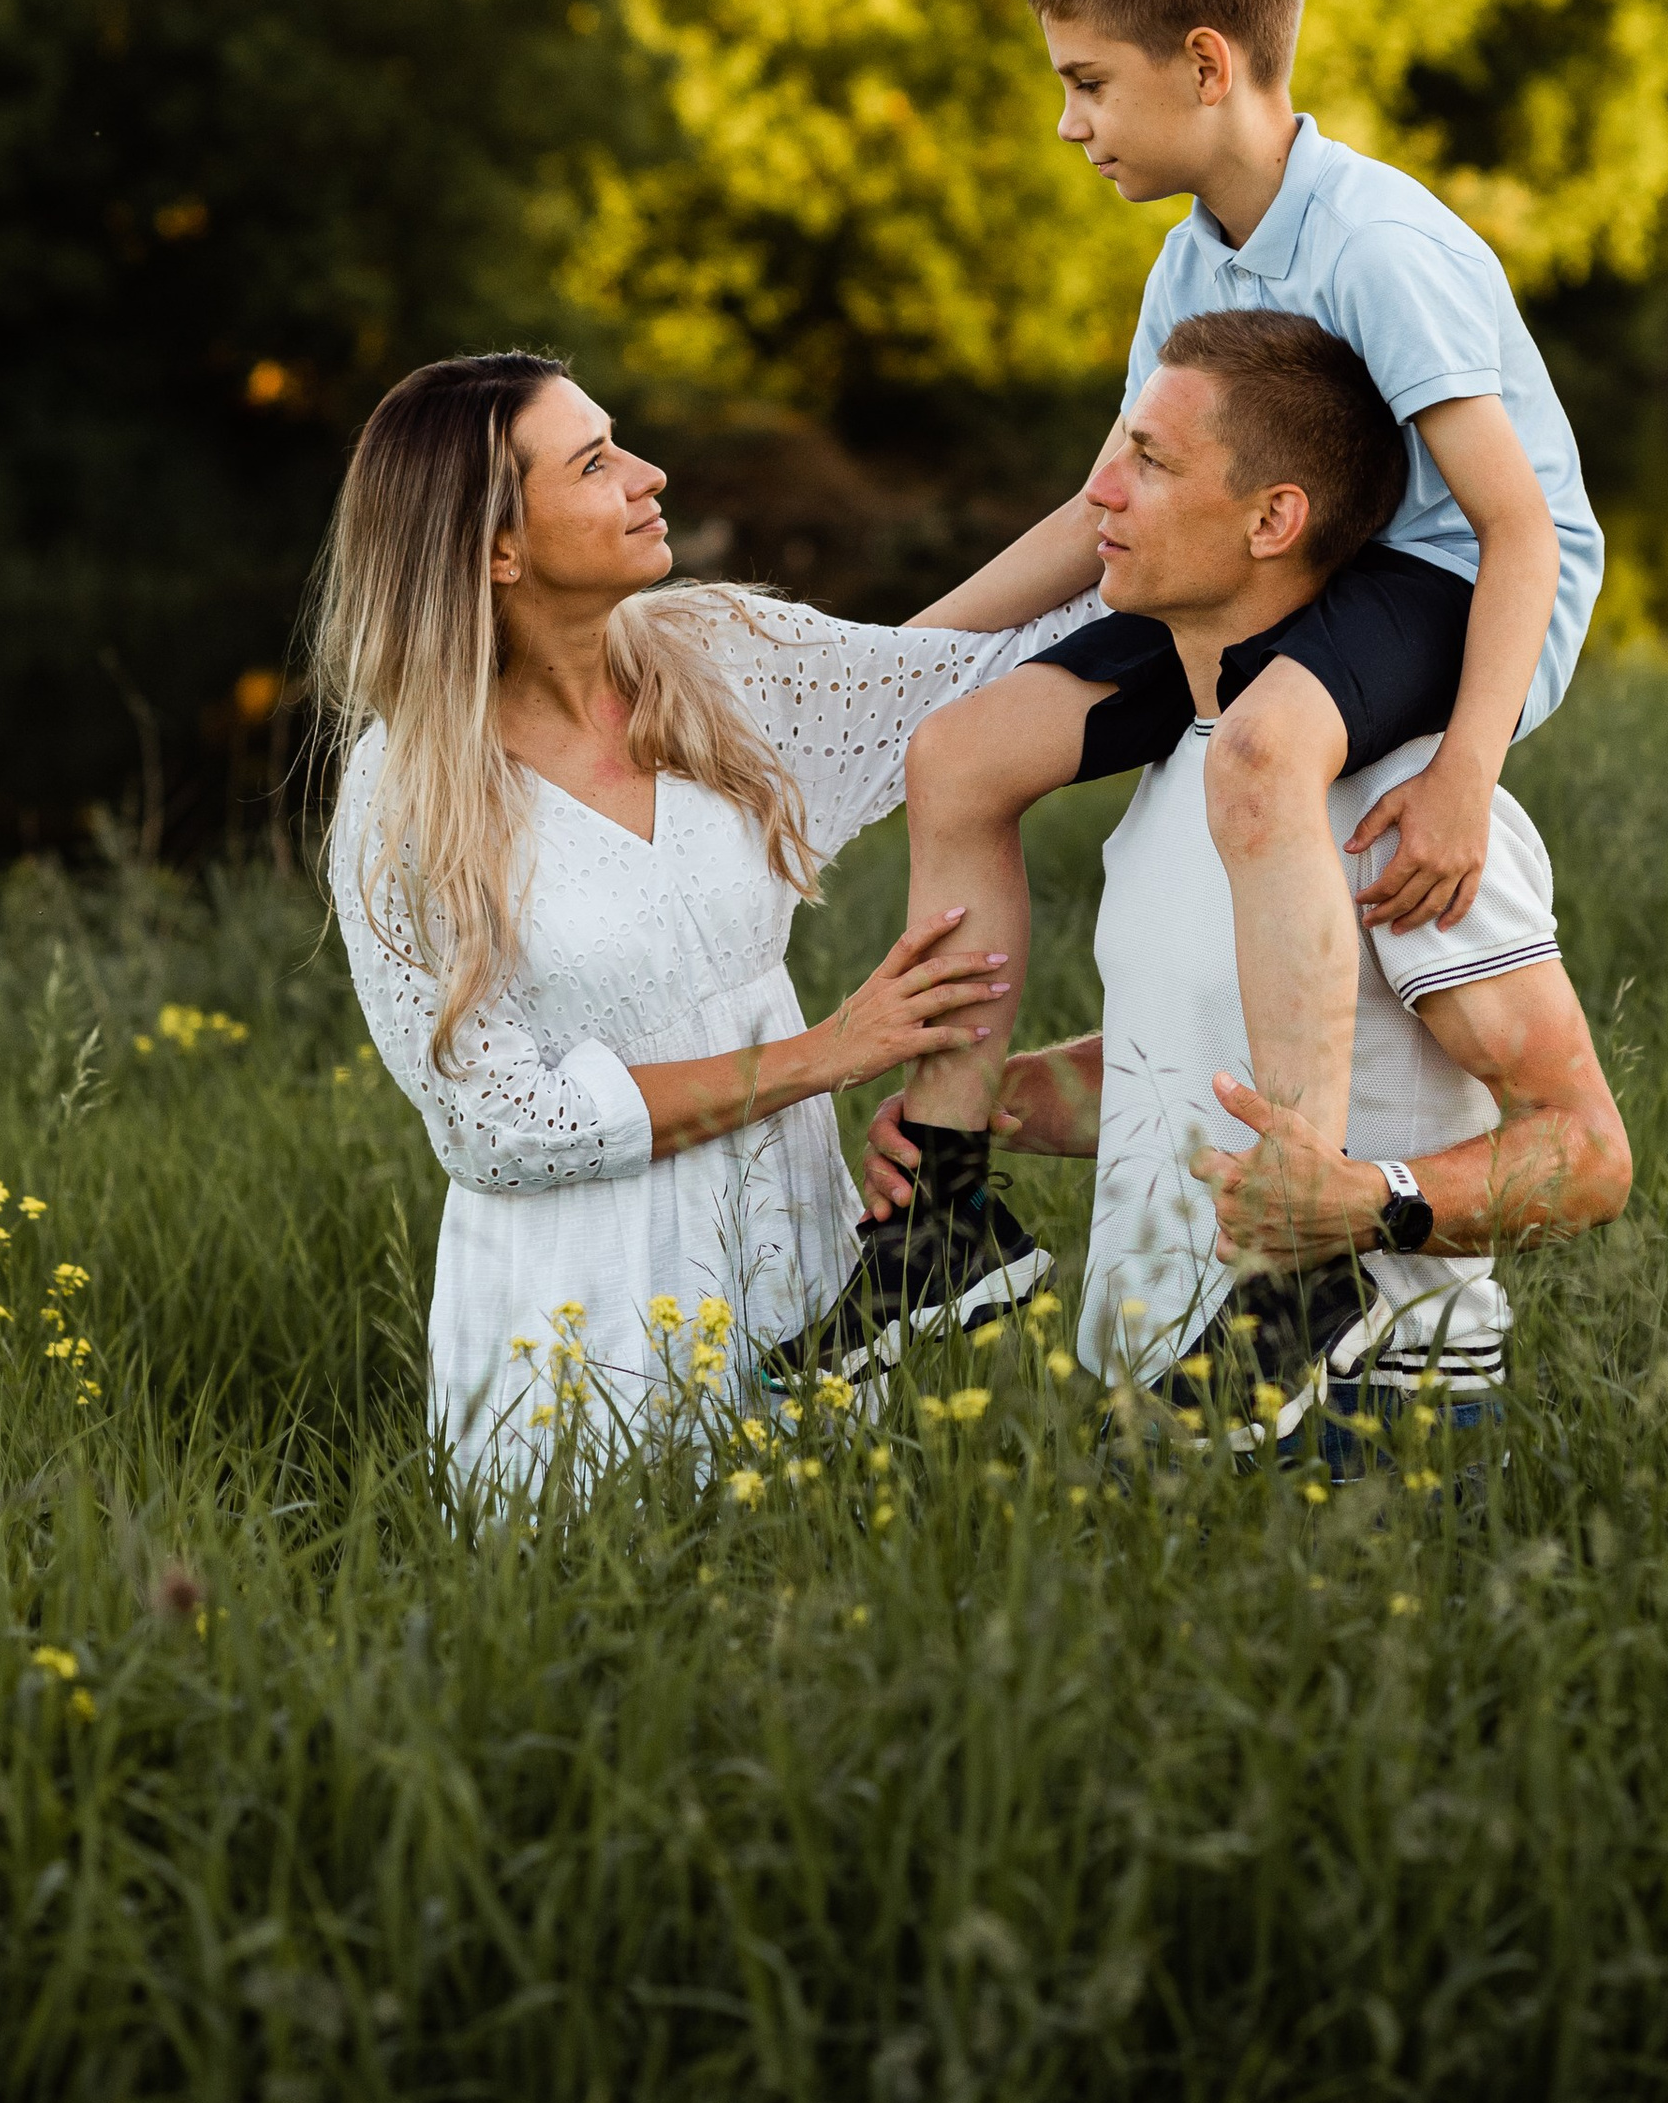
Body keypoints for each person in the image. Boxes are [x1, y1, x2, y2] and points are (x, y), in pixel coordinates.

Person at [797, 0, 1606, 1379]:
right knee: (962, 751)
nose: (1071, 122)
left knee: (1265, 752)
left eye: (1091, 82)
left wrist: (1467, 771)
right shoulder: (1191, 256)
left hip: (1449, 573)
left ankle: (1293, 1252)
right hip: (1279, 563)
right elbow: (1100, 509)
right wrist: (896, 659)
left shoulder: (1376, 244)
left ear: (1208, 64)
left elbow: (1516, 522)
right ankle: (946, 1221)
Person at [312, 348, 1092, 1480]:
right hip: (587, 1299)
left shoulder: (713, 655)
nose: (648, 472)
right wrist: (827, 1054)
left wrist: (1155, 511)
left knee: (812, 1599)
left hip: (794, 1234)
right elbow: (495, 1124)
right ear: (496, 547)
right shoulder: (405, 796)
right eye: (594, 463)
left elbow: (954, 673)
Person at [858, 307, 1630, 1440]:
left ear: (1274, 518)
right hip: (1159, 1403)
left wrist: (1372, 1203)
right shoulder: (1187, 762)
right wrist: (1001, 1107)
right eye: (1116, 450)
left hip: (1372, 1417)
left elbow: (1586, 1151)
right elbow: (1195, 1060)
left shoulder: (1392, 796)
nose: (1100, 496)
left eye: (1149, 463)